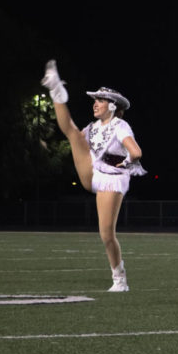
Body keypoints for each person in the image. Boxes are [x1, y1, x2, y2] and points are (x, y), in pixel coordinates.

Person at [40, 60, 145, 292]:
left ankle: (120, 280)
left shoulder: (121, 126)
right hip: (94, 172)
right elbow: (76, 138)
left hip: (112, 178)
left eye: (100, 100)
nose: (95, 104)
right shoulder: (94, 126)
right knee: (75, 135)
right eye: (95, 100)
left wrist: (127, 161)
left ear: (111, 105)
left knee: (106, 234)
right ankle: (56, 90)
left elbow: (136, 152)